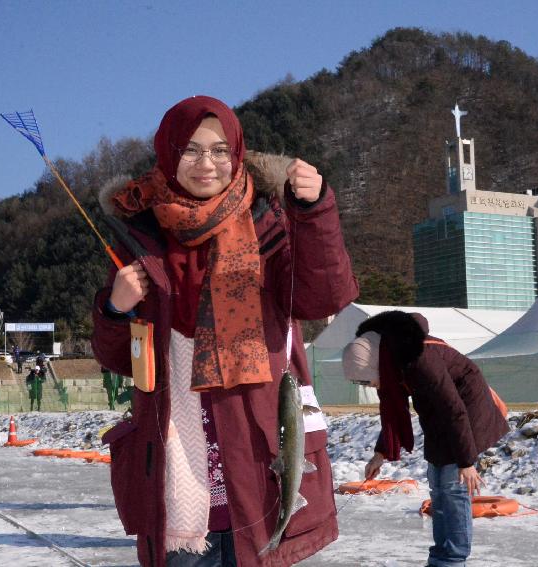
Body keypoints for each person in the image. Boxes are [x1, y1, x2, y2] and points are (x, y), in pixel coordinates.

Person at [92, 95, 358, 566]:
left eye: (219, 150)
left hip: (255, 462)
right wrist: (115, 308)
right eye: (190, 150)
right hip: (176, 475)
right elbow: (120, 360)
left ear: (236, 153)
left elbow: (320, 298)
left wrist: (314, 211)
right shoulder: (141, 234)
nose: (206, 163)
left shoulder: (270, 220)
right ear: (168, 153)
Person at [343, 310, 509, 567]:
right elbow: (393, 413)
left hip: (467, 411)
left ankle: (453, 559)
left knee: (452, 488)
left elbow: (454, 408)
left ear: (376, 363)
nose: (370, 386)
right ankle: (440, 557)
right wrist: (380, 453)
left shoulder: (421, 360)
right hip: (438, 417)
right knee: (438, 484)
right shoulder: (394, 361)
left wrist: (466, 462)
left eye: (366, 380)